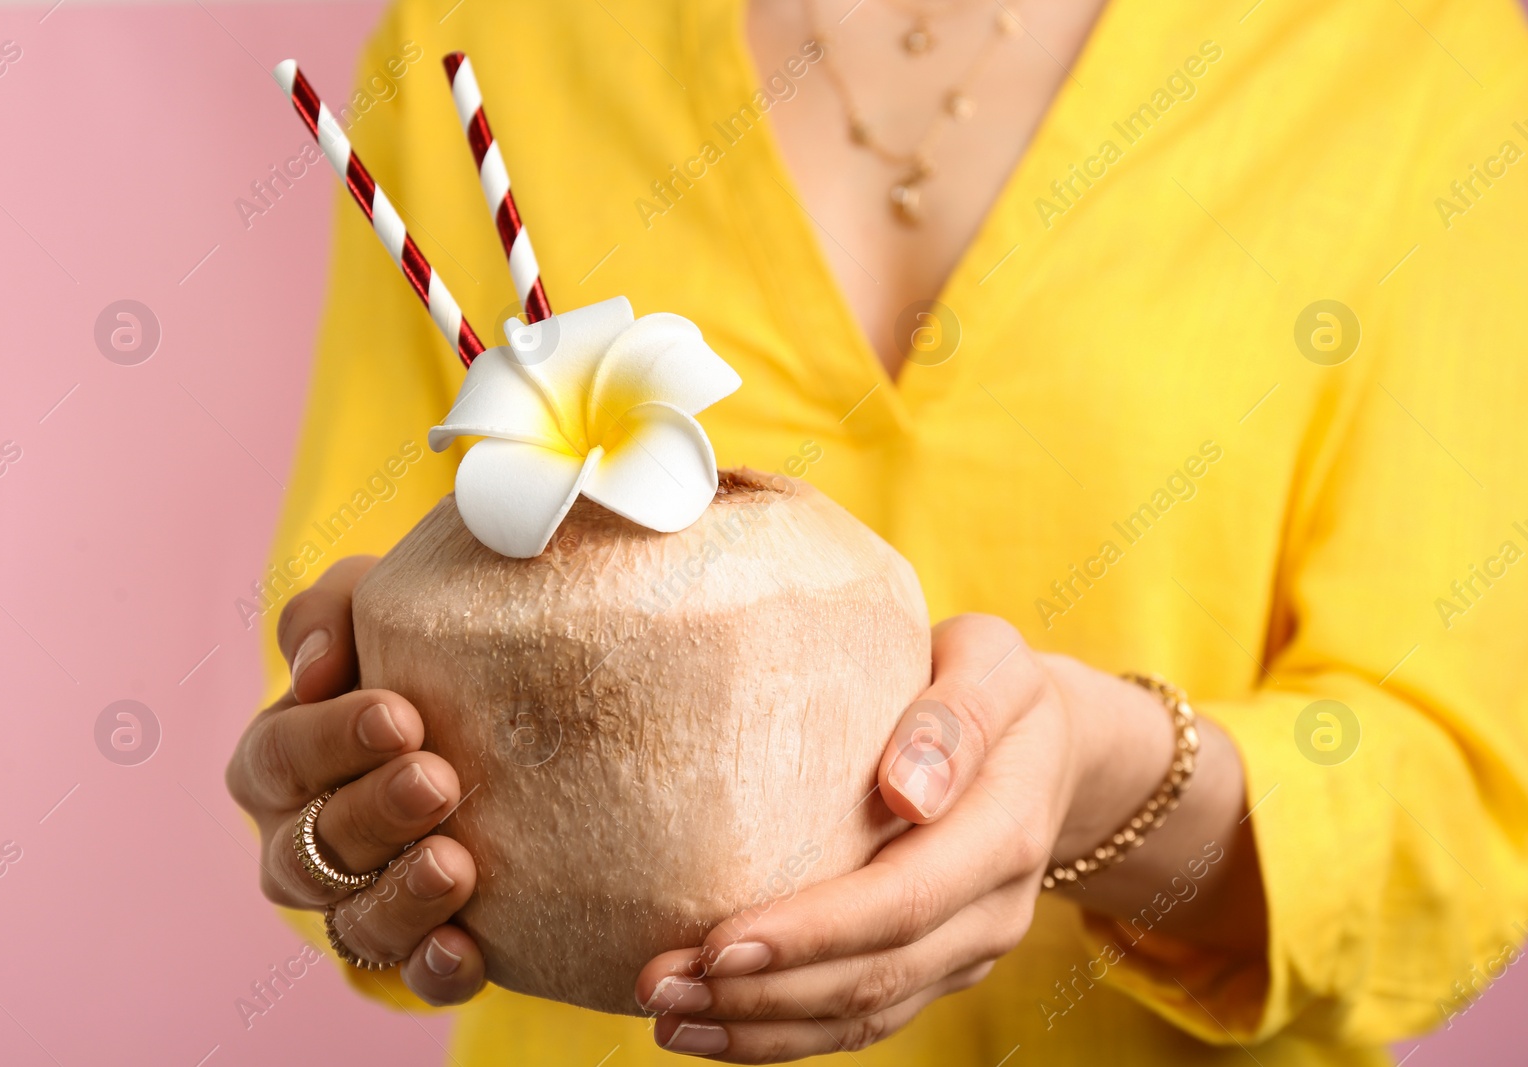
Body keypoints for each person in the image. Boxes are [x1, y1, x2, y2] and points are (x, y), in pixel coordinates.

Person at [224, 0, 1528, 1061]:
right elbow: (350, 731)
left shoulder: (1428, 55)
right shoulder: (488, 31)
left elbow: (1455, 828)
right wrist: (347, 819)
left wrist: (1098, 780)